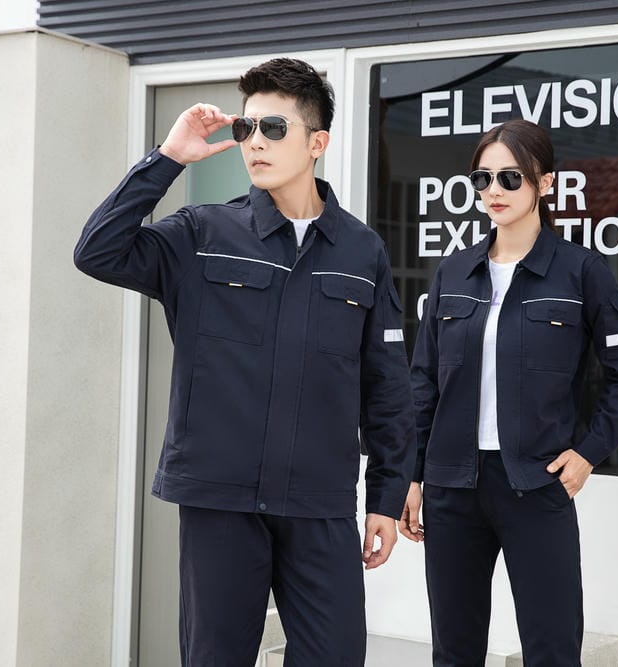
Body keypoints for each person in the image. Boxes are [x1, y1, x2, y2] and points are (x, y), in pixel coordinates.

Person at [74, 58, 415, 666]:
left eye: (273, 128)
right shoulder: (201, 235)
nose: (254, 141)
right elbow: (97, 250)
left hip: (318, 504)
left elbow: (385, 385)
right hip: (221, 501)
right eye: (245, 128)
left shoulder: (362, 251)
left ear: (317, 143)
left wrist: (386, 497)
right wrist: (169, 157)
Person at [400, 119, 618, 666]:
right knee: (454, 651)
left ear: (545, 183)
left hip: (535, 484)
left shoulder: (581, 272)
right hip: (452, 487)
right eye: (482, 178)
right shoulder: (453, 273)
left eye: (511, 177)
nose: (494, 190)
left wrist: (588, 452)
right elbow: (424, 384)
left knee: (553, 649)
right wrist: (411, 475)